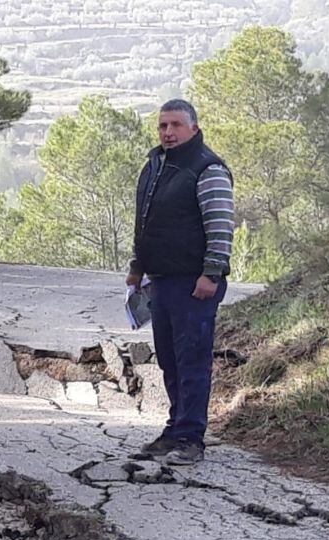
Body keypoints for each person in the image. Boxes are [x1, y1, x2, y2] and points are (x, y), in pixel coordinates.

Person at [127, 99, 234, 465]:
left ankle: (191, 439)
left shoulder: (208, 169)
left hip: (194, 283)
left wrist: (211, 274)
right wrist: (137, 267)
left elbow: (220, 227)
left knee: (192, 361)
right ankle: (174, 429)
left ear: (194, 127)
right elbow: (146, 222)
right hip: (161, 281)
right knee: (170, 362)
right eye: (162, 126)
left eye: (175, 125)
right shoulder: (156, 166)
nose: (168, 132)